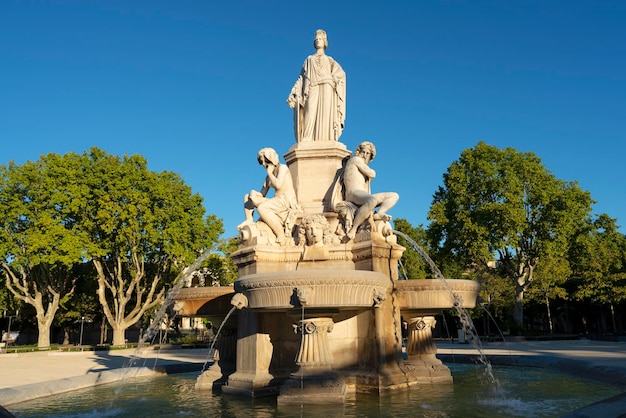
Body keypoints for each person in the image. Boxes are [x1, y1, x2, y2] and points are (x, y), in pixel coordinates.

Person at [287, 29, 346, 142]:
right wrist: (294, 92)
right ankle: (307, 137)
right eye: (317, 39)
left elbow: (341, 74)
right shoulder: (309, 59)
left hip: (327, 86)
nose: (318, 41)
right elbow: (302, 78)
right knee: (310, 112)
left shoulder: (329, 60)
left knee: (326, 113)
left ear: (325, 42)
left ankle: (326, 138)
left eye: (321, 39)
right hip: (312, 86)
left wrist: (335, 79)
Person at [238, 148, 299, 244]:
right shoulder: (268, 176)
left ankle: (281, 235)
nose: (263, 164)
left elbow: (278, 184)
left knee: (262, 208)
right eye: (261, 162)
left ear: (271, 158)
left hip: (285, 201)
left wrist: (270, 173)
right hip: (276, 200)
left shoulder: (282, 168)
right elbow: (262, 193)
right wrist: (253, 194)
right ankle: (249, 220)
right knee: (247, 197)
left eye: (265, 161)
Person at [343, 142, 398, 240]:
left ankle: (380, 213)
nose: (364, 155)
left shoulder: (360, 163)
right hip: (353, 193)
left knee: (394, 196)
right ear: (358, 151)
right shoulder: (355, 160)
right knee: (372, 200)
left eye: (367, 153)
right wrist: (372, 172)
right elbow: (372, 173)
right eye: (362, 152)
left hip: (363, 194)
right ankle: (354, 228)